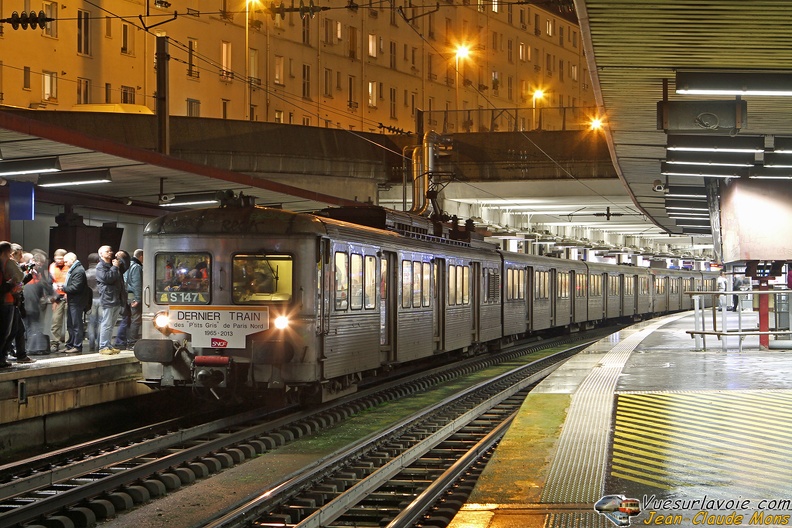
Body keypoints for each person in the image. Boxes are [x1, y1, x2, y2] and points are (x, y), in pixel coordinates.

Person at [1, 243, 35, 365]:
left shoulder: (8, 264)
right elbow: (18, 280)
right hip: (8, 300)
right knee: (11, 330)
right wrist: (26, 277)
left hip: (12, 300)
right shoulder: (9, 263)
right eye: (20, 254)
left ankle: (13, 354)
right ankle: (10, 355)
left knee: (14, 329)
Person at [96, 245, 126, 355]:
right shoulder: (100, 266)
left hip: (116, 298)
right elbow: (107, 279)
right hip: (108, 299)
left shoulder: (113, 265)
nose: (110, 252)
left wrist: (118, 262)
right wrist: (115, 268)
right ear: (101, 254)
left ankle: (108, 345)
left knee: (111, 324)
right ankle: (103, 346)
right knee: (106, 324)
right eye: (107, 251)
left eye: (110, 250)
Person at [62, 252, 90, 354]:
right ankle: (70, 345)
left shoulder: (78, 271)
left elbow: (76, 287)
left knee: (76, 325)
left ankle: (77, 346)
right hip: (72, 301)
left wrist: (63, 288)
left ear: (72, 260)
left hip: (77, 302)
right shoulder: (74, 270)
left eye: (66, 261)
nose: (65, 263)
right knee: (70, 324)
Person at [118, 249, 143, 349]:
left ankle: (122, 341)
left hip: (125, 296)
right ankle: (132, 342)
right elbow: (137, 284)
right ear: (141, 256)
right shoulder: (136, 267)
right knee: (135, 320)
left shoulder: (126, 265)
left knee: (126, 320)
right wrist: (138, 298)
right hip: (133, 296)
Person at [49, 248, 70, 353]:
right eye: (57, 258)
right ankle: (54, 342)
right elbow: (50, 282)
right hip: (57, 297)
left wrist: (67, 293)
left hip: (68, 296)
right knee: (56, 321)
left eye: (61, 259)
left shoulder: (69, 266)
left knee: (68, 321)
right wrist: (53, 298)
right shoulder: (52, 267)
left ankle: (68, 343)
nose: (59, 261)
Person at [84, 253, 102, 352]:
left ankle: (91, 344)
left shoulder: (86, 273)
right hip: (101, 299)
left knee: (91, 323)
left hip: (90, 300)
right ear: (98, 261)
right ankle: (99, 343)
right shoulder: (101, 272)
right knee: (100, 322)